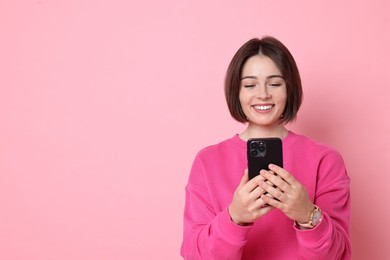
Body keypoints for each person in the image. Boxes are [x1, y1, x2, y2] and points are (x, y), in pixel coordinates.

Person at [180, 36, 351, 259]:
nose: (263, 94)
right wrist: (235, 217)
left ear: (289, 89)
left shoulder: (325, 160)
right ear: (236, 92)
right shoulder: (207, 161)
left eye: (275, 83)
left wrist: (307, 213)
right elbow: (195, 255)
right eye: (250, 85)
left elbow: (338, 255)